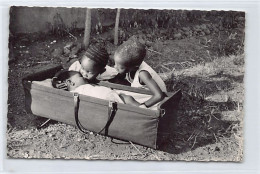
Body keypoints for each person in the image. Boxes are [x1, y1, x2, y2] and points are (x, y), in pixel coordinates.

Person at [113, 38, 167, 108]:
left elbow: (159, 95)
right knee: (115, 92)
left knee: (122, 98)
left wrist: (144, 106)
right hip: (145, 92)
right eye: (115, 63)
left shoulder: (143, 74)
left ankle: (144, 112)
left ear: (135, 67)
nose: (115, 67)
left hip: (155, 100)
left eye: (121, 67)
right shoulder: (131, 64)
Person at [52, 70, 141, 107]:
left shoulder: (84, 86)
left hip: (108, 98)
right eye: (80, 76)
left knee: (128, 98)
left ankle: (146, 111)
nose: (84, 76)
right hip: (106, 99)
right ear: (70, 82)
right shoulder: (72, 93)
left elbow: (62, 70)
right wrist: (55, 82)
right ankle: (147, 111)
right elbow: (60, 72)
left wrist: (55, 79)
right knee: (128, 99)